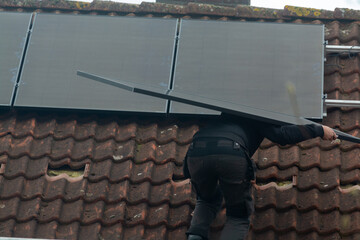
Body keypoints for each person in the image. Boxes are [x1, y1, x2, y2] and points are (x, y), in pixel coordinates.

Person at [184, 113, 337, 240]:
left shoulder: (217, 108)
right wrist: (319, 130)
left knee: (206, 199)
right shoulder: (254, 110)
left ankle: (195, 236)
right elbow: (282, 135)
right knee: (238, 215)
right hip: (231, 153)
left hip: (196, 151)